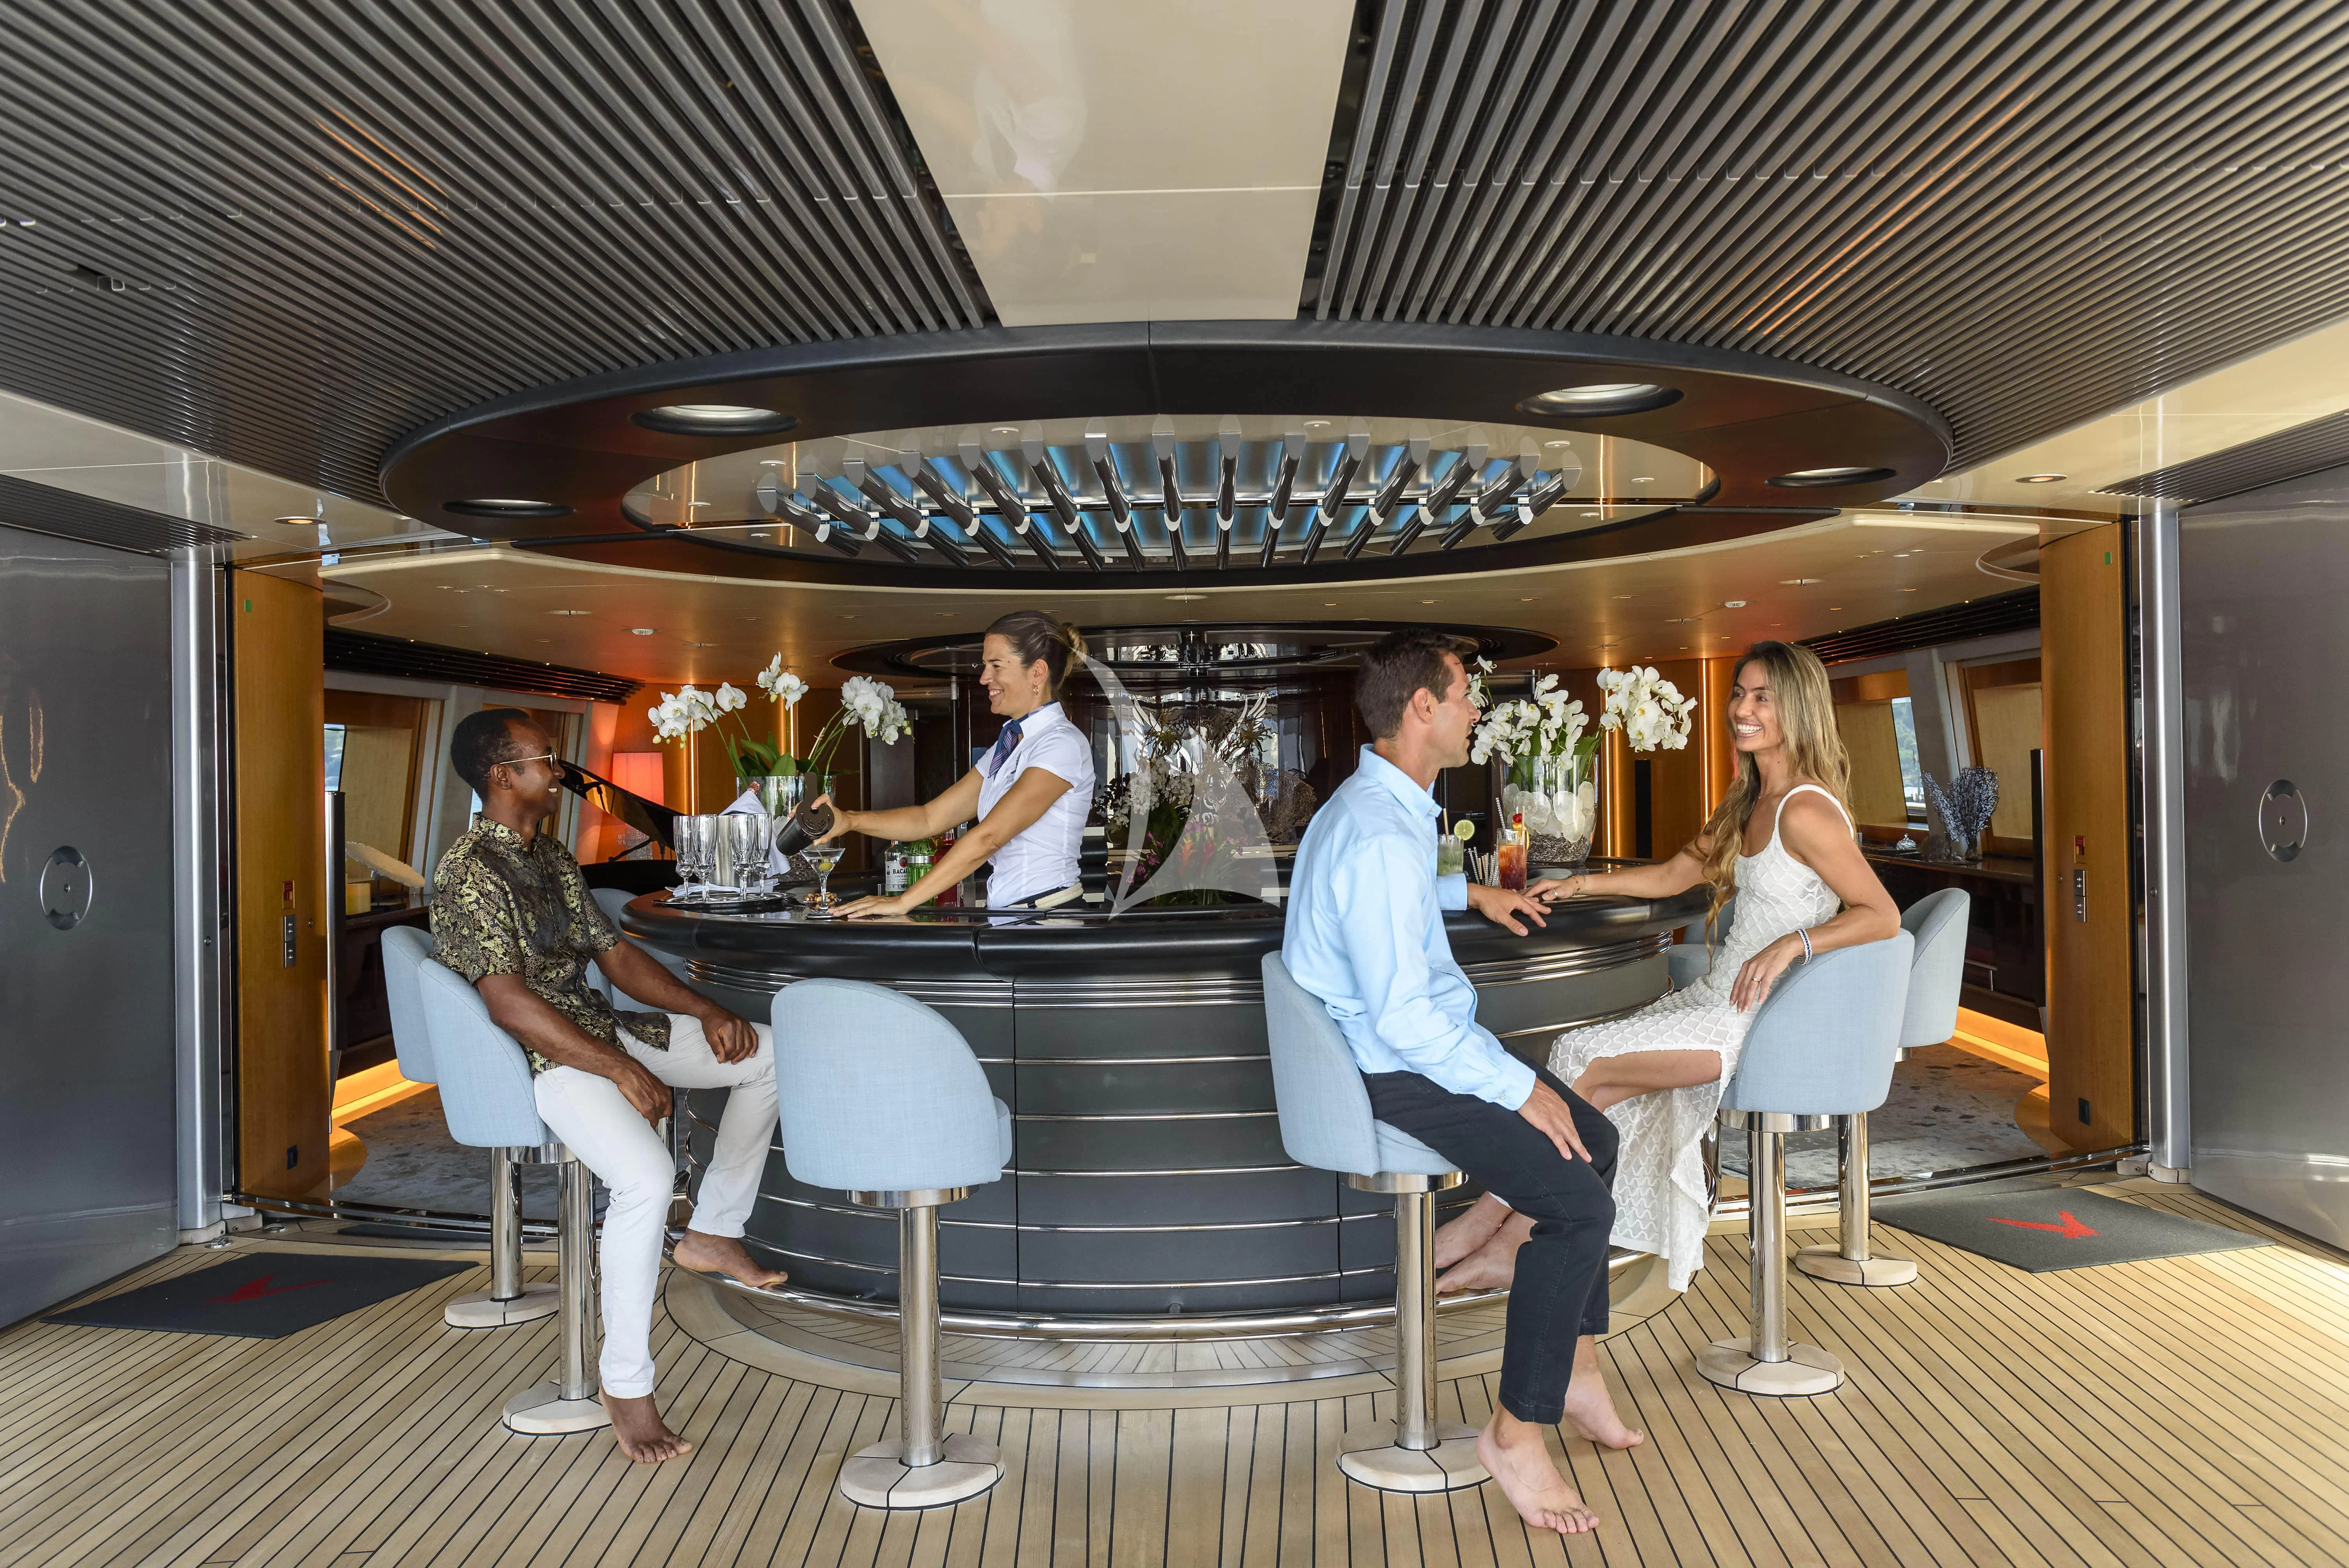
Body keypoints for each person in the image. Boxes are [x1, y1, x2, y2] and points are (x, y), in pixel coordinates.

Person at [1283, 629, 1641, 1538]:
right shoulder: (1373, 830)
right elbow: (1404, 1017)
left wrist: (1473, 894)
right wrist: (1514, 1089)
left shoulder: (1387, 804)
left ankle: (1571, 1357)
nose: (1475, 712)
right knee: (1578, 1209)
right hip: (1395, 1066)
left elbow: (1412, 884)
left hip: (1414, 1047)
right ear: (1421, 709)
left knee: (1595, 1138)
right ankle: (1516, 1432)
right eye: (1464, 697)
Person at [1431, 640, 1901, 1298]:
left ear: (1797, 708)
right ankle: (1508, 1237)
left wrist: (1791, 944)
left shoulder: (1806, 808)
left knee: (1582, 1063)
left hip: (1753, 1022)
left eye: (1761, 696)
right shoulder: (1750, 797)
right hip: (1714, 999)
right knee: (1578, 1064)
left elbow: (1882, 915)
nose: (1741, 707)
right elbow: (1680, 871)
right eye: (1739, 692)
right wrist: (1582, 884)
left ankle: (1498, 1235)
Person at [429, 709, 787, 1464]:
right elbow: (509, 1003)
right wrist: (621, 1068)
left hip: (607, 1028)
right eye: (544, 759)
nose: (558, 770)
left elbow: (616, 957)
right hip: (554, 1060)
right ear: (502, 775)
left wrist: (708, 1008)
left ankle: (714, 1230)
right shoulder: (468, 869)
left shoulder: (551, 854)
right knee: (647, 1179)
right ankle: (624, 1382)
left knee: (766, 1054)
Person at [812, 609, 1098, 917]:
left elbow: (989, 838)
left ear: (1038, 673)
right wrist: (850, 820)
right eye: (985, 665)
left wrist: (903, 902)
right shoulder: (1011, 743)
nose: (984, 678)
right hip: (1013, 919)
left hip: (1047, 919)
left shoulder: (1061, 744)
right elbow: (929, 819)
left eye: (996, 666)